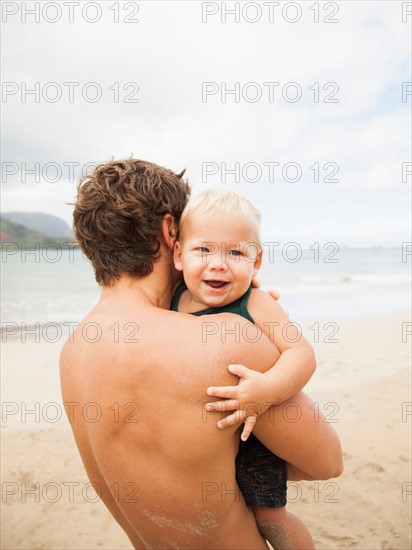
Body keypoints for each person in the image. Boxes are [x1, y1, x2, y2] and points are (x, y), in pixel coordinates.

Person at [60, 158, 343, 549]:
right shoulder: (223, 339)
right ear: (170, 231)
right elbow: (326, 461)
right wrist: (243, 309)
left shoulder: (74, 350)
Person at [172, 188, 318, 548]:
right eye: (203, 249)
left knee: (269, 517)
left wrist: (266, 391)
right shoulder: (173, 299)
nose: (218, 263)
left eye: (235, 252)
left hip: (252, 435)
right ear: (178, 255)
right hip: (207, 436)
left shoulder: (255, 303)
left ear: (256, 263)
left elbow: (301, 353)